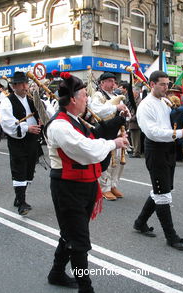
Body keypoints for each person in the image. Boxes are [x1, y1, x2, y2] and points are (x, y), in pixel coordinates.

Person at [45, 72, 128, 293]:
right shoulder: (59, 126)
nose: (87, 100)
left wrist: (118, 121)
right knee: (79, 240)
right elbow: (89, 150)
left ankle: (56, 272)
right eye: (84, 95)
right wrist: (114, 143)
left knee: (71, 233)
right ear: (73, 99)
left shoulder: (75, 120)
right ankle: (85, 287)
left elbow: (95, 134)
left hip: (85, 185)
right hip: (68, 187)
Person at [133, 71, 183, 251]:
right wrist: (179, 133)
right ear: (152, 84)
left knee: (163, 189)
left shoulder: (165, 102)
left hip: (168, 148)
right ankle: (171, 236)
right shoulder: (145, 106)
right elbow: (152, 132)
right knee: (162, 194)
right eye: (162, 84)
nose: (166, 88)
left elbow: (169, 124)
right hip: (155, 149)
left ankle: (140, 222)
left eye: (167, 84)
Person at [0, 72, 41, 215]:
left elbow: (42, 113)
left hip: (32, 140)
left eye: (26, 83)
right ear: (14, 86)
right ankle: (22, 203)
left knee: (29, 170)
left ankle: (19, 197)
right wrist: (27, 128)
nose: (25, 86)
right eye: (22, 84)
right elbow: (7, 123)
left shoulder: (31, 99)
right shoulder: (7, 101)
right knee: (19, 170)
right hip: (18, 140)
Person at [89, 72, 128, 201]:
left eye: (114, 81)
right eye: (110, 81)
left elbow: (126, 113)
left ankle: (113, 185)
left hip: (117, 131)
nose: (113, 84)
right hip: (104, 131)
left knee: (118, 161)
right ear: (102, 83)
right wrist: (116, 107)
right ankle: (104, 187)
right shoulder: (98, 95)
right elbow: (96, 110)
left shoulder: (117, 95)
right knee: (107, 160)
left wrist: (125, 113)